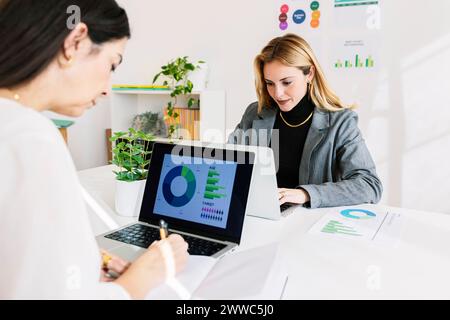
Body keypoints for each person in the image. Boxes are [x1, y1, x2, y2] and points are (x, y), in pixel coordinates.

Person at [0, 0, 188, 299]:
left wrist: (78, 262)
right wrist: (143, 276)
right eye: (112, 65)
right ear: (75, 41)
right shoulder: (31, 138)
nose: (106, 89)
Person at [229, 34, 382, 209]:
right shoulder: (255, 113)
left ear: (309, 73)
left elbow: (370, 185)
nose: (277, 93)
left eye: (286, 82)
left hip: (308, 223)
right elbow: (226, 162)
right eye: (269, 83)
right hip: (259, 216)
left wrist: (306, 194)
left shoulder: (341, 122)